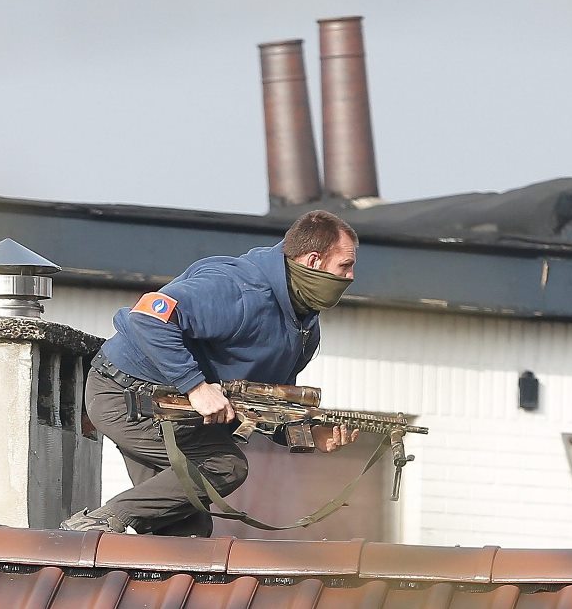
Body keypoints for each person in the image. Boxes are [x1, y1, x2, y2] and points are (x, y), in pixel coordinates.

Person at [61, 209, 361, 536]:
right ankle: (95, 524)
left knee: (187, 532)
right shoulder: (239, 288)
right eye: (345, 265)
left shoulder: (303, 325)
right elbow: (147, 315)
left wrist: (309, 434)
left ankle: (111, 536)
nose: (351, 277)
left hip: (173, 410)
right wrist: (196, 387)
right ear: (314, 261)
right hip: (126, 395)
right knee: (225, 466)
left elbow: (264, 406)